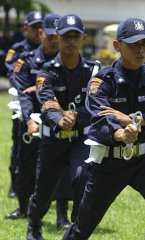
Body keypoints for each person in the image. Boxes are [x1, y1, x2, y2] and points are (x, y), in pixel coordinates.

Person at [63, 17, 145, 240]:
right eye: (134, 44)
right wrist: (121, 134)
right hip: (110, 161)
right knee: (83, 226)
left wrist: (138, 121)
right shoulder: (102, 80)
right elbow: (99, 119)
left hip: (143, 160)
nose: (141, 50)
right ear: (118, 46)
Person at [26, 14, 101, 240]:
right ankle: (34, 225)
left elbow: (96, 103)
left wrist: (76, 118)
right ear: (56, 37)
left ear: (84, 38)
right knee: (43, 191)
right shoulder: (46, 71)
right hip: (53, 138)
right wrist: (60, 119)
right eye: (66, 36)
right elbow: (47, 104)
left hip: (80, 137)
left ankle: (76, 228)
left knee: (83, 175)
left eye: (75, 36)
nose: (70, 41)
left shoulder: (94, 71)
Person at [6, 13, 73, 229]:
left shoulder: (67, 62)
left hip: (57, 121)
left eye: (57, 35)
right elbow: (22, 92)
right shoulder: (26, 59)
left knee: (62, 169)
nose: (54, 39)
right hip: (31, 120)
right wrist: (28, 121)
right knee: (25, 167)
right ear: (41, 33)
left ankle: (62, 216)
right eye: (50, 35)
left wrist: (40, 87)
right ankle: (23, 207)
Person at [5, 10, 45, 199]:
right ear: (25, 28)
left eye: (42, 27)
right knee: (20, 147)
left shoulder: (51, 50)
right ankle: (16, 185)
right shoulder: (18, 49)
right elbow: (12, 73)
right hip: (23, 106)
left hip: (44, 104)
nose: (39, 30)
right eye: (35, 26)